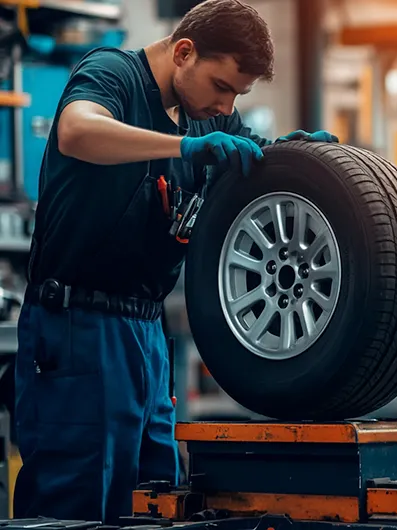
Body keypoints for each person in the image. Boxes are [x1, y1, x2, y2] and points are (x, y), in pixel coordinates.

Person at [14, 0, 338, 523]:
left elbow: (251, 162)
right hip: (78, 329)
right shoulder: (112, 74)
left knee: (154, 500)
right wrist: (183, 146)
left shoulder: (206, 116)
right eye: (221, 86)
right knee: (73, 501)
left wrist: (297, 160)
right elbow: (77, 131)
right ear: (184, 52)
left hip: (146, 334)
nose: (226, 105)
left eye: (237, 95)